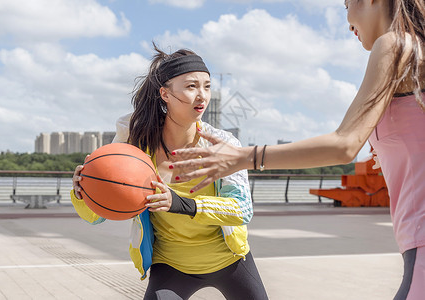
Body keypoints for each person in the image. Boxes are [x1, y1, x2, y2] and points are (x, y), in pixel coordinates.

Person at [170, 1, 425, 299]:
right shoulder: (415, 48)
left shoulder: (394, 44)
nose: (348, 21)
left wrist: (243, 158)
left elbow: (345, 144)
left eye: (346, 5)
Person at [71, 45, 268, 300]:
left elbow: (242, 210)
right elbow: (95, 216)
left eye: (207, 86)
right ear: (165, 93)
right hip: (171, 266)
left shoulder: (222, 144)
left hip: (231, 261)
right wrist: (82, 192)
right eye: (191, 86)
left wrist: (181, 204)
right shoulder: (135, 146)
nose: (202, 96)